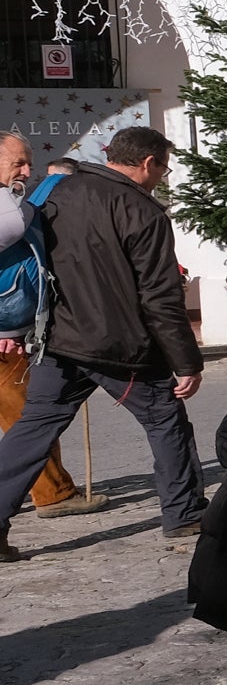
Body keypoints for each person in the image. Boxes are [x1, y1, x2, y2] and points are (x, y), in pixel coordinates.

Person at [0, 125, 208, 558]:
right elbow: (160, 296)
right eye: (164, 168)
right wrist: (186, 361)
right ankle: (184, 512)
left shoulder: (52, 194)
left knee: (34, 429)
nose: (161, 177)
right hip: (121, 346)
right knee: (165, 420)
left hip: (56, 338)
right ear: (148, 162)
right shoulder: (143, 211)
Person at [0, 133, 99, 519]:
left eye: (29, 162)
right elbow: (12, 228)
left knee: (26, 414)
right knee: (27, 416)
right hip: (7, 333)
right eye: (17, 164)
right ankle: (52, 492)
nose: (27, 171)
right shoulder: (9, 207)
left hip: (15, 328)